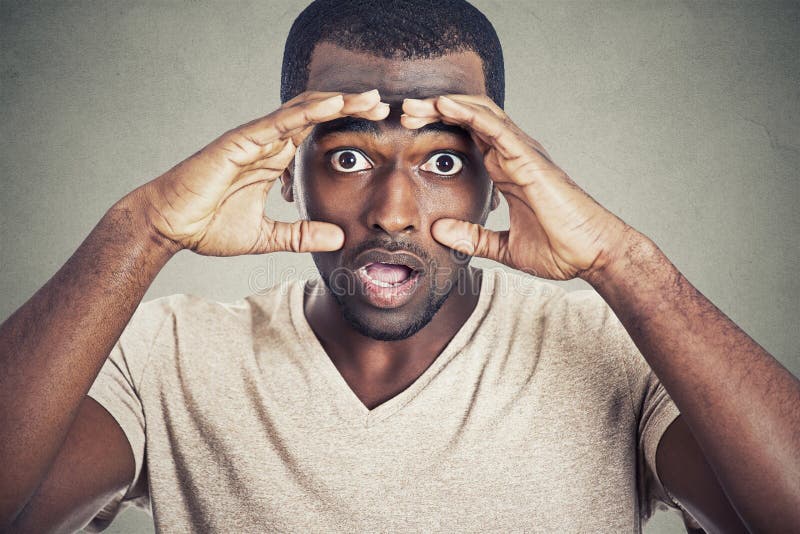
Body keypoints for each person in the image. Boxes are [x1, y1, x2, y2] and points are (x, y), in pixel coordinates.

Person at [0, 0, 798, 532]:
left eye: (443, 165)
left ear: (499, 179)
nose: (391, 209)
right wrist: (139, 231)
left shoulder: (622, 349)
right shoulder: (162, 356)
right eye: (348, 154)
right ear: (286, 169)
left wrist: (626, 264)